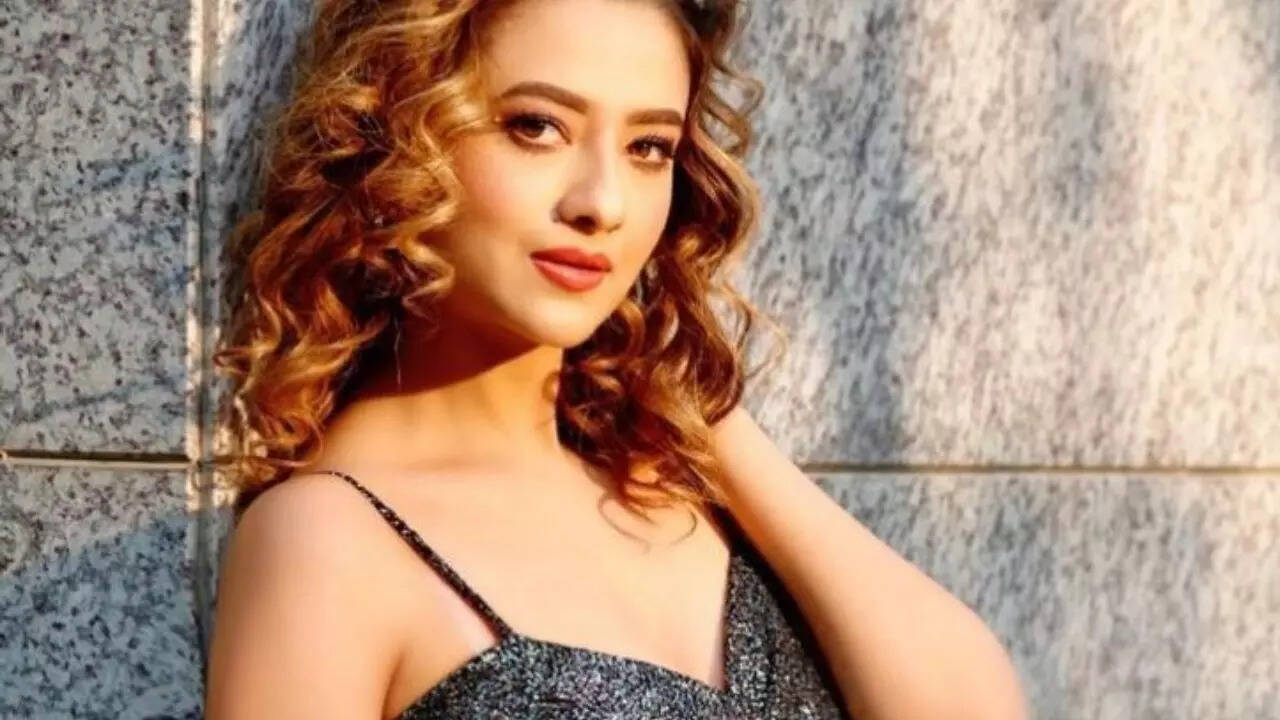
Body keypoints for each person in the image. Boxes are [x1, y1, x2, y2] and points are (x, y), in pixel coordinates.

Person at [203, 0, 1027, 718]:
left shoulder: (682, 484)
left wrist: (701, 412)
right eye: (536, 127)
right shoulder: (328, 541)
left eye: (649, 148)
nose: (602, 203)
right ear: (400, 130)